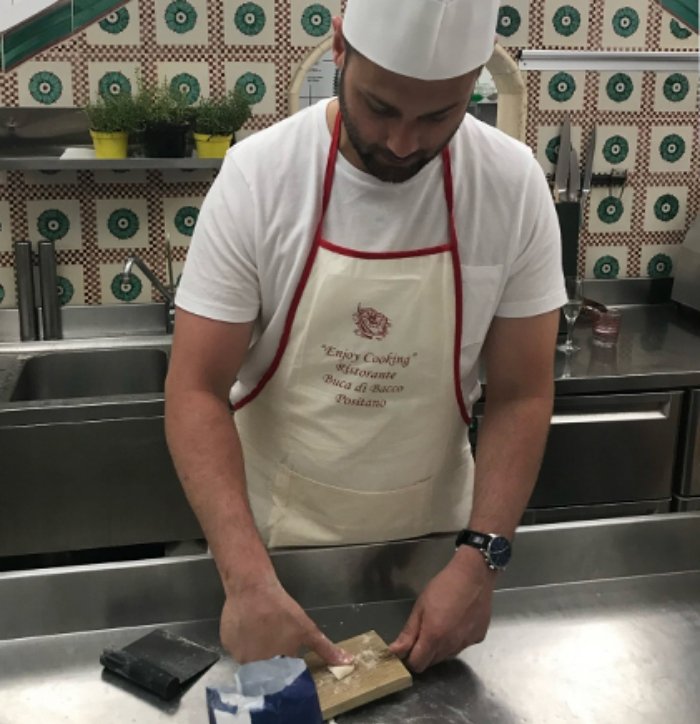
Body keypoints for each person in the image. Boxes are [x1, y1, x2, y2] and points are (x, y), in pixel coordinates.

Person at [165, 0, 567, 674]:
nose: (404, 142)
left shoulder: (511, 185)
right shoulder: (261, 177)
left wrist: (480, 562)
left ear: (472, 84)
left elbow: (523, 394)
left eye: (438, 117)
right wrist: (245, 579)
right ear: (340, 49)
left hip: (434, 560)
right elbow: (195, 388)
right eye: (380, 107)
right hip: (271, 560)